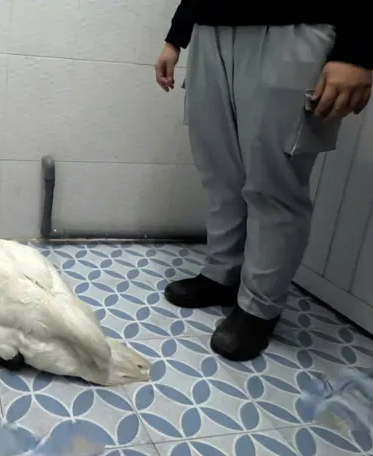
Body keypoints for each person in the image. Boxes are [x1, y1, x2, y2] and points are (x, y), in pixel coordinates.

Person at [155, 1, 372, 361]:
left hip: (297, 27)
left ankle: (260, 307)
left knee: (274, 186)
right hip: (210, 30)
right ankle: (221, 275)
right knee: (219, 174)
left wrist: (358, 50)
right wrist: (176, 37)